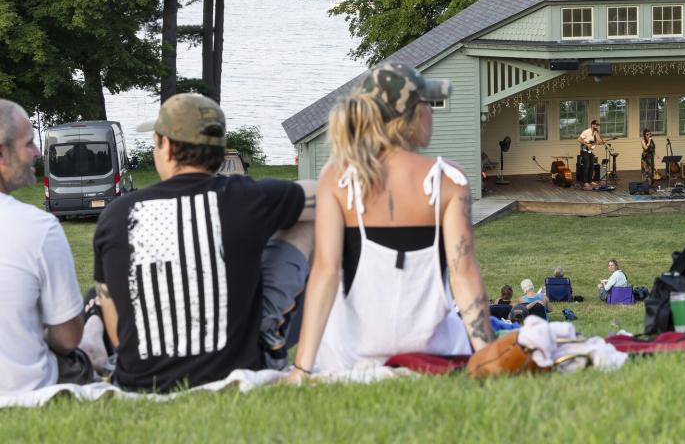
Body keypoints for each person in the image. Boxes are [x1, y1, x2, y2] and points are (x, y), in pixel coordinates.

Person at [93, 93, 316, 391]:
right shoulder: (249, 198)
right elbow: (325, 194)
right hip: (239, 369)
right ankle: (274, 334)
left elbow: (118, 332)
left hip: (142, 380)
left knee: (98, 292)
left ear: (167, 146)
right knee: (306, 224)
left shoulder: (117, 215)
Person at [286, 62, 493, 381]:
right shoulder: (447, 179)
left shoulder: (338, 177)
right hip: (432, 351)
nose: (432, 112)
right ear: (409, 116)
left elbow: (325, 275)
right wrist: (486, 356)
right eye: (427, 104)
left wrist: (301, 369)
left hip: (349, 354)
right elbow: (463, 274)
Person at [0, 100, 94, 394]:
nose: (37, 153)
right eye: (28, 144)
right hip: (27, 385)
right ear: (2, 153)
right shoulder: (37, 227)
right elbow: (67, 338)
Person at [577, 119, 602, 189]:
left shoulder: (595, 133)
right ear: (592, 125)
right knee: (586, 166)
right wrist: (587, 145)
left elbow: (595, 142)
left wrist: (601, 142)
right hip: (584, 151)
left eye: (597, 125)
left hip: (591, 151)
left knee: (592, 166)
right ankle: (585, 182)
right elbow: (579, 139)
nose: (597, 126)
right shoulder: (587, 131)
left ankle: (590, 181)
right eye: (596, 125)